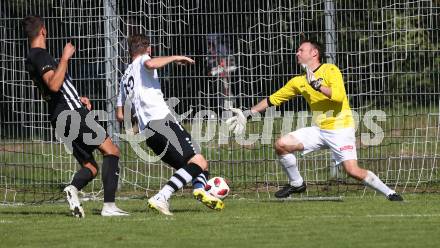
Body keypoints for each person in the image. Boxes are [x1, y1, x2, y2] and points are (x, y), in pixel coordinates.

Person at [227, 39, 403, 201]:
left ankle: (390, 193)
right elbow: (274, 99)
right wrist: (248, 113)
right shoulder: (299, 81)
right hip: (319, 130)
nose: (297, 53)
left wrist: (318, 85)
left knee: (352, 171)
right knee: (281, 144)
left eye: (301, 50)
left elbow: (339, 97)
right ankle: (297, 183)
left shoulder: (330, 70)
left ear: (314, 53)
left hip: (340, 129)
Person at [22, 15, 129, 217]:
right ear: (43, 30)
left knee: (90, 167)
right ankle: (109, 206)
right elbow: (54, 84)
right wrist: (65, 57)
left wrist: (77, 97)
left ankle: (72, 188)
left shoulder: (32, 57)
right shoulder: (40, 55)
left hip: (62, 115)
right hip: (72, 115)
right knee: (112, 151)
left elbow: (55, 87)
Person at [116, 34, 224, 215]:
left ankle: (200, 189)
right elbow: (150, 64)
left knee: (198, 165)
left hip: (149, 132)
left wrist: (138, 120)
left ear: (129, 51)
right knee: (198, 160)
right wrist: (176, 57)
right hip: (162, 122)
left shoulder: (124, 78)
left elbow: (120, 115)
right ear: (148, 49)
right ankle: (162, 197)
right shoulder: (145, 60)